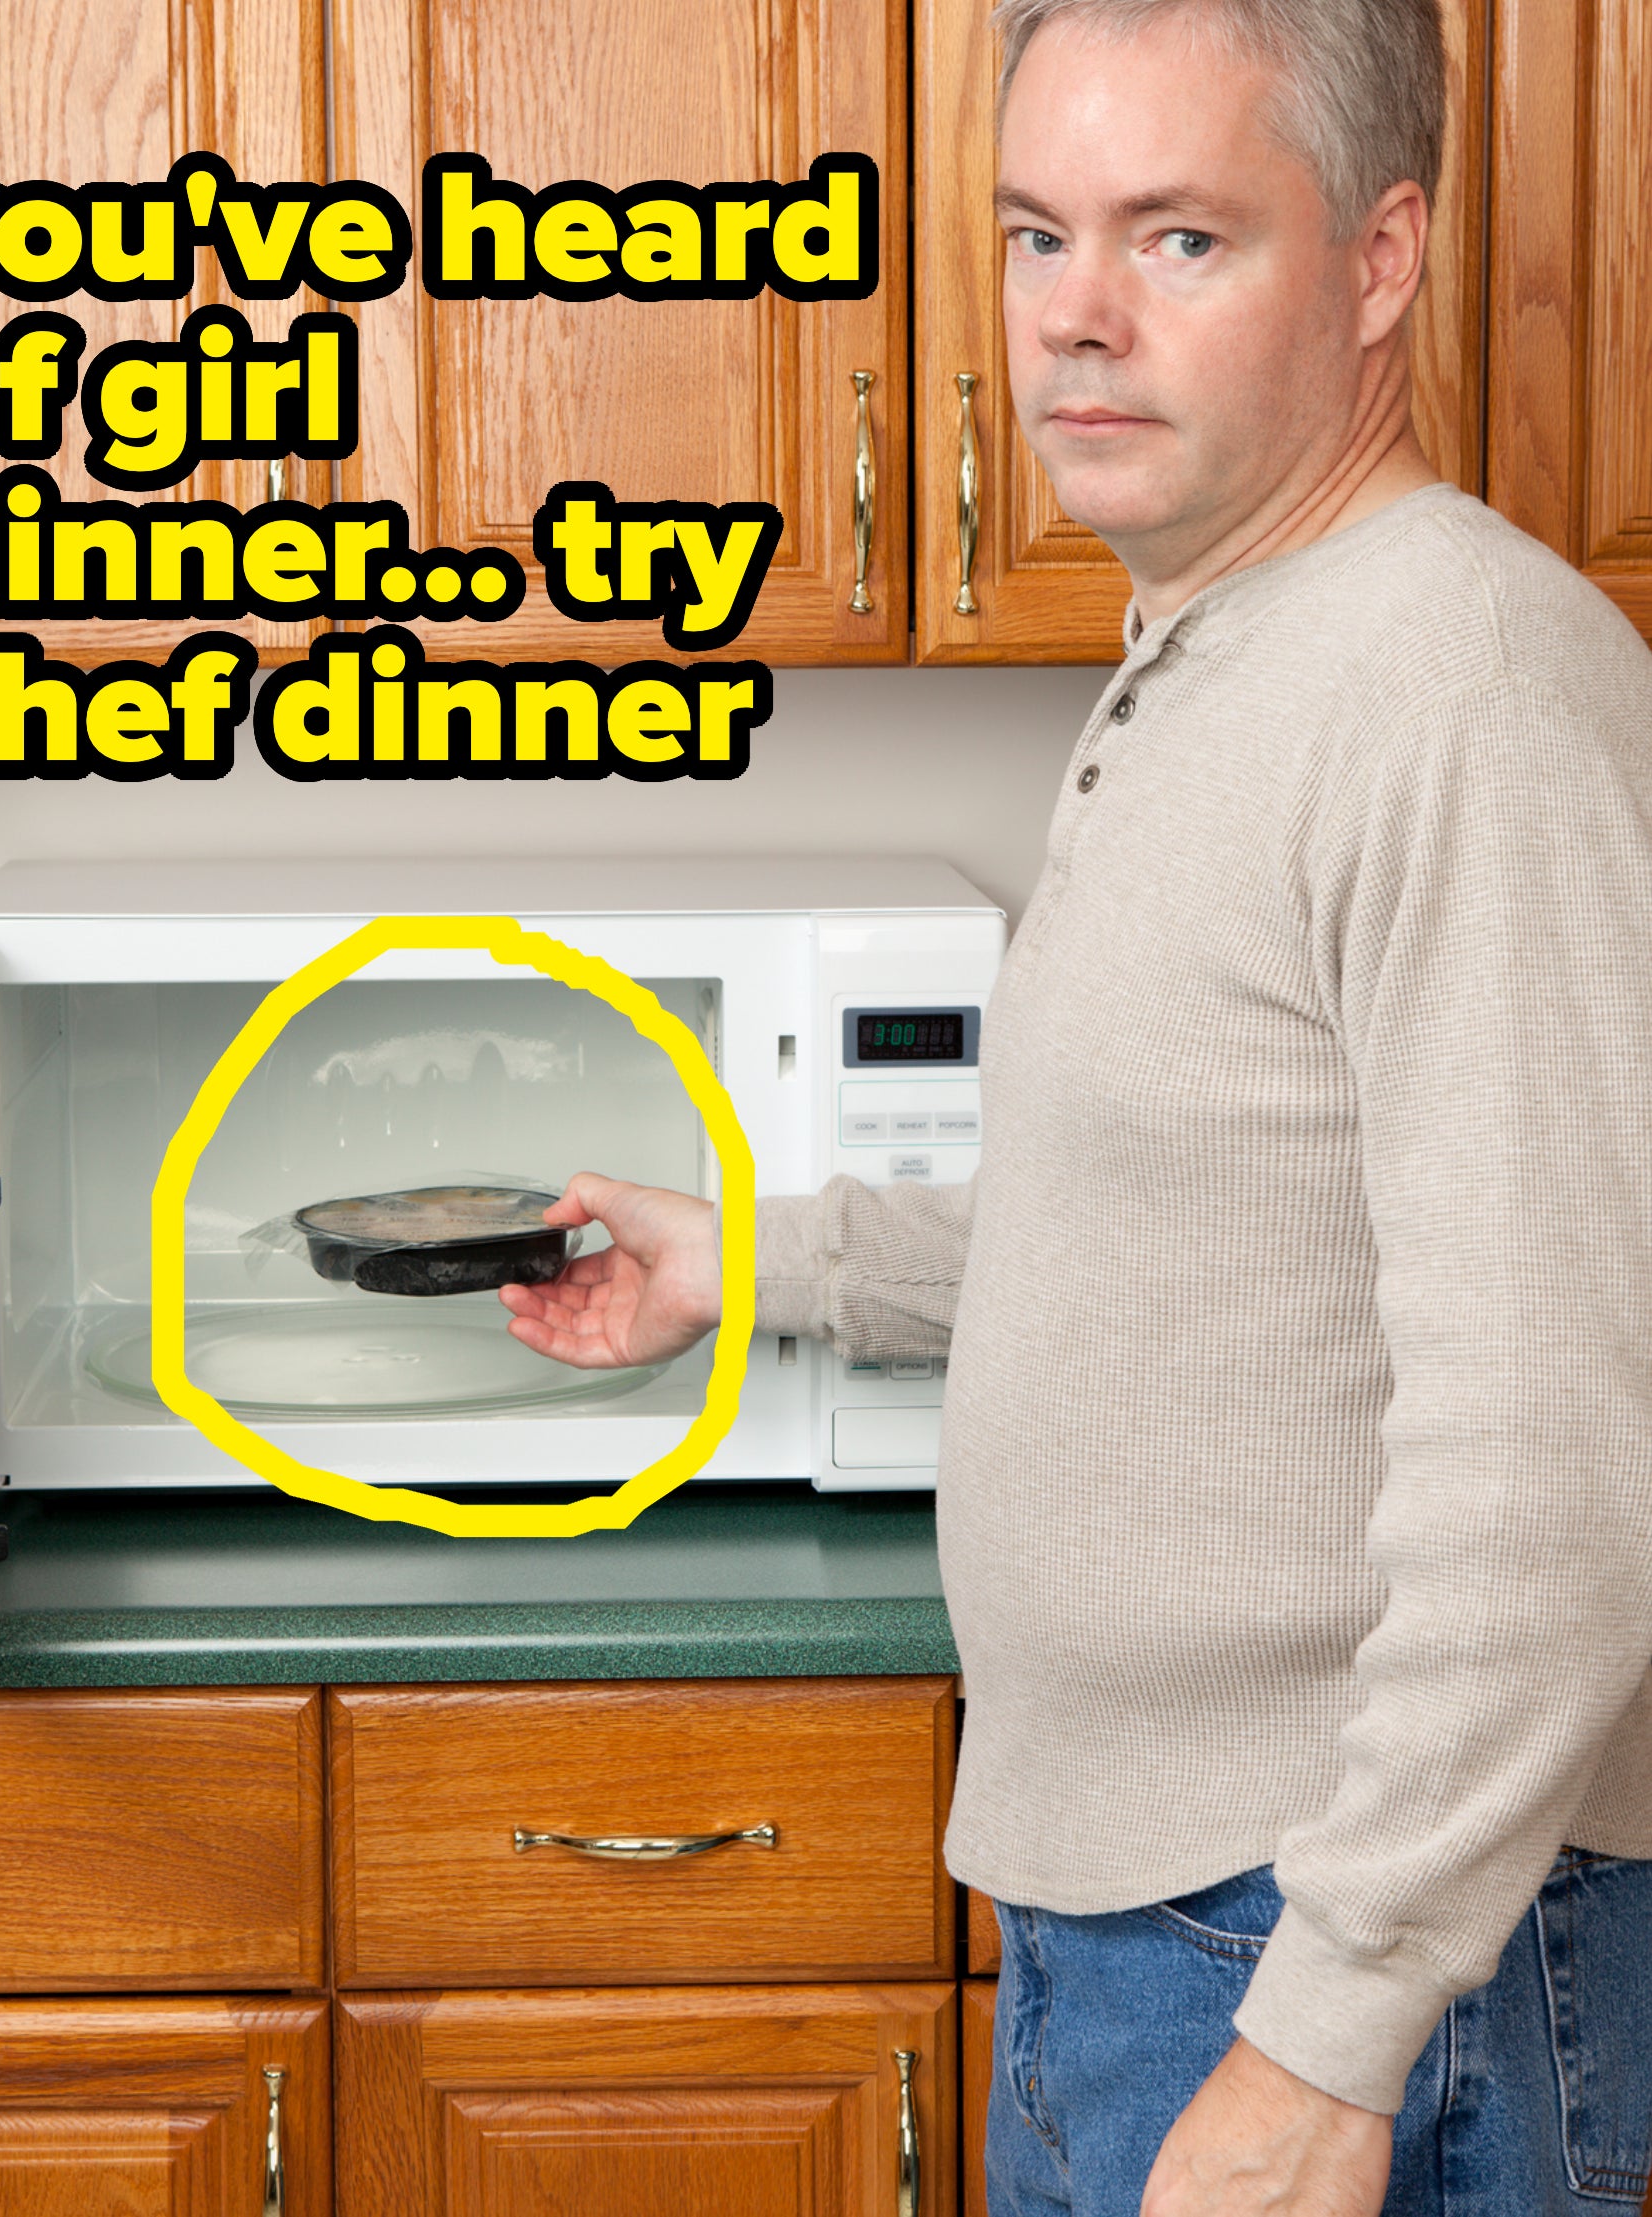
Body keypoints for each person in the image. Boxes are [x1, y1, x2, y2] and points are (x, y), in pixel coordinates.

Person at [499, 0, 1652, 2208]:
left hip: (1350, 1960)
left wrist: (1328, 2038)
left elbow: (1565, 1470)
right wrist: (765, 1257)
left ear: (1380, 260)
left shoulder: (1468, 690)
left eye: (1180, 237)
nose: (1077, 320)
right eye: (1037, 234)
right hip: (1163, 1919)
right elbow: (1207, 1224)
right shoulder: (1226, 639)